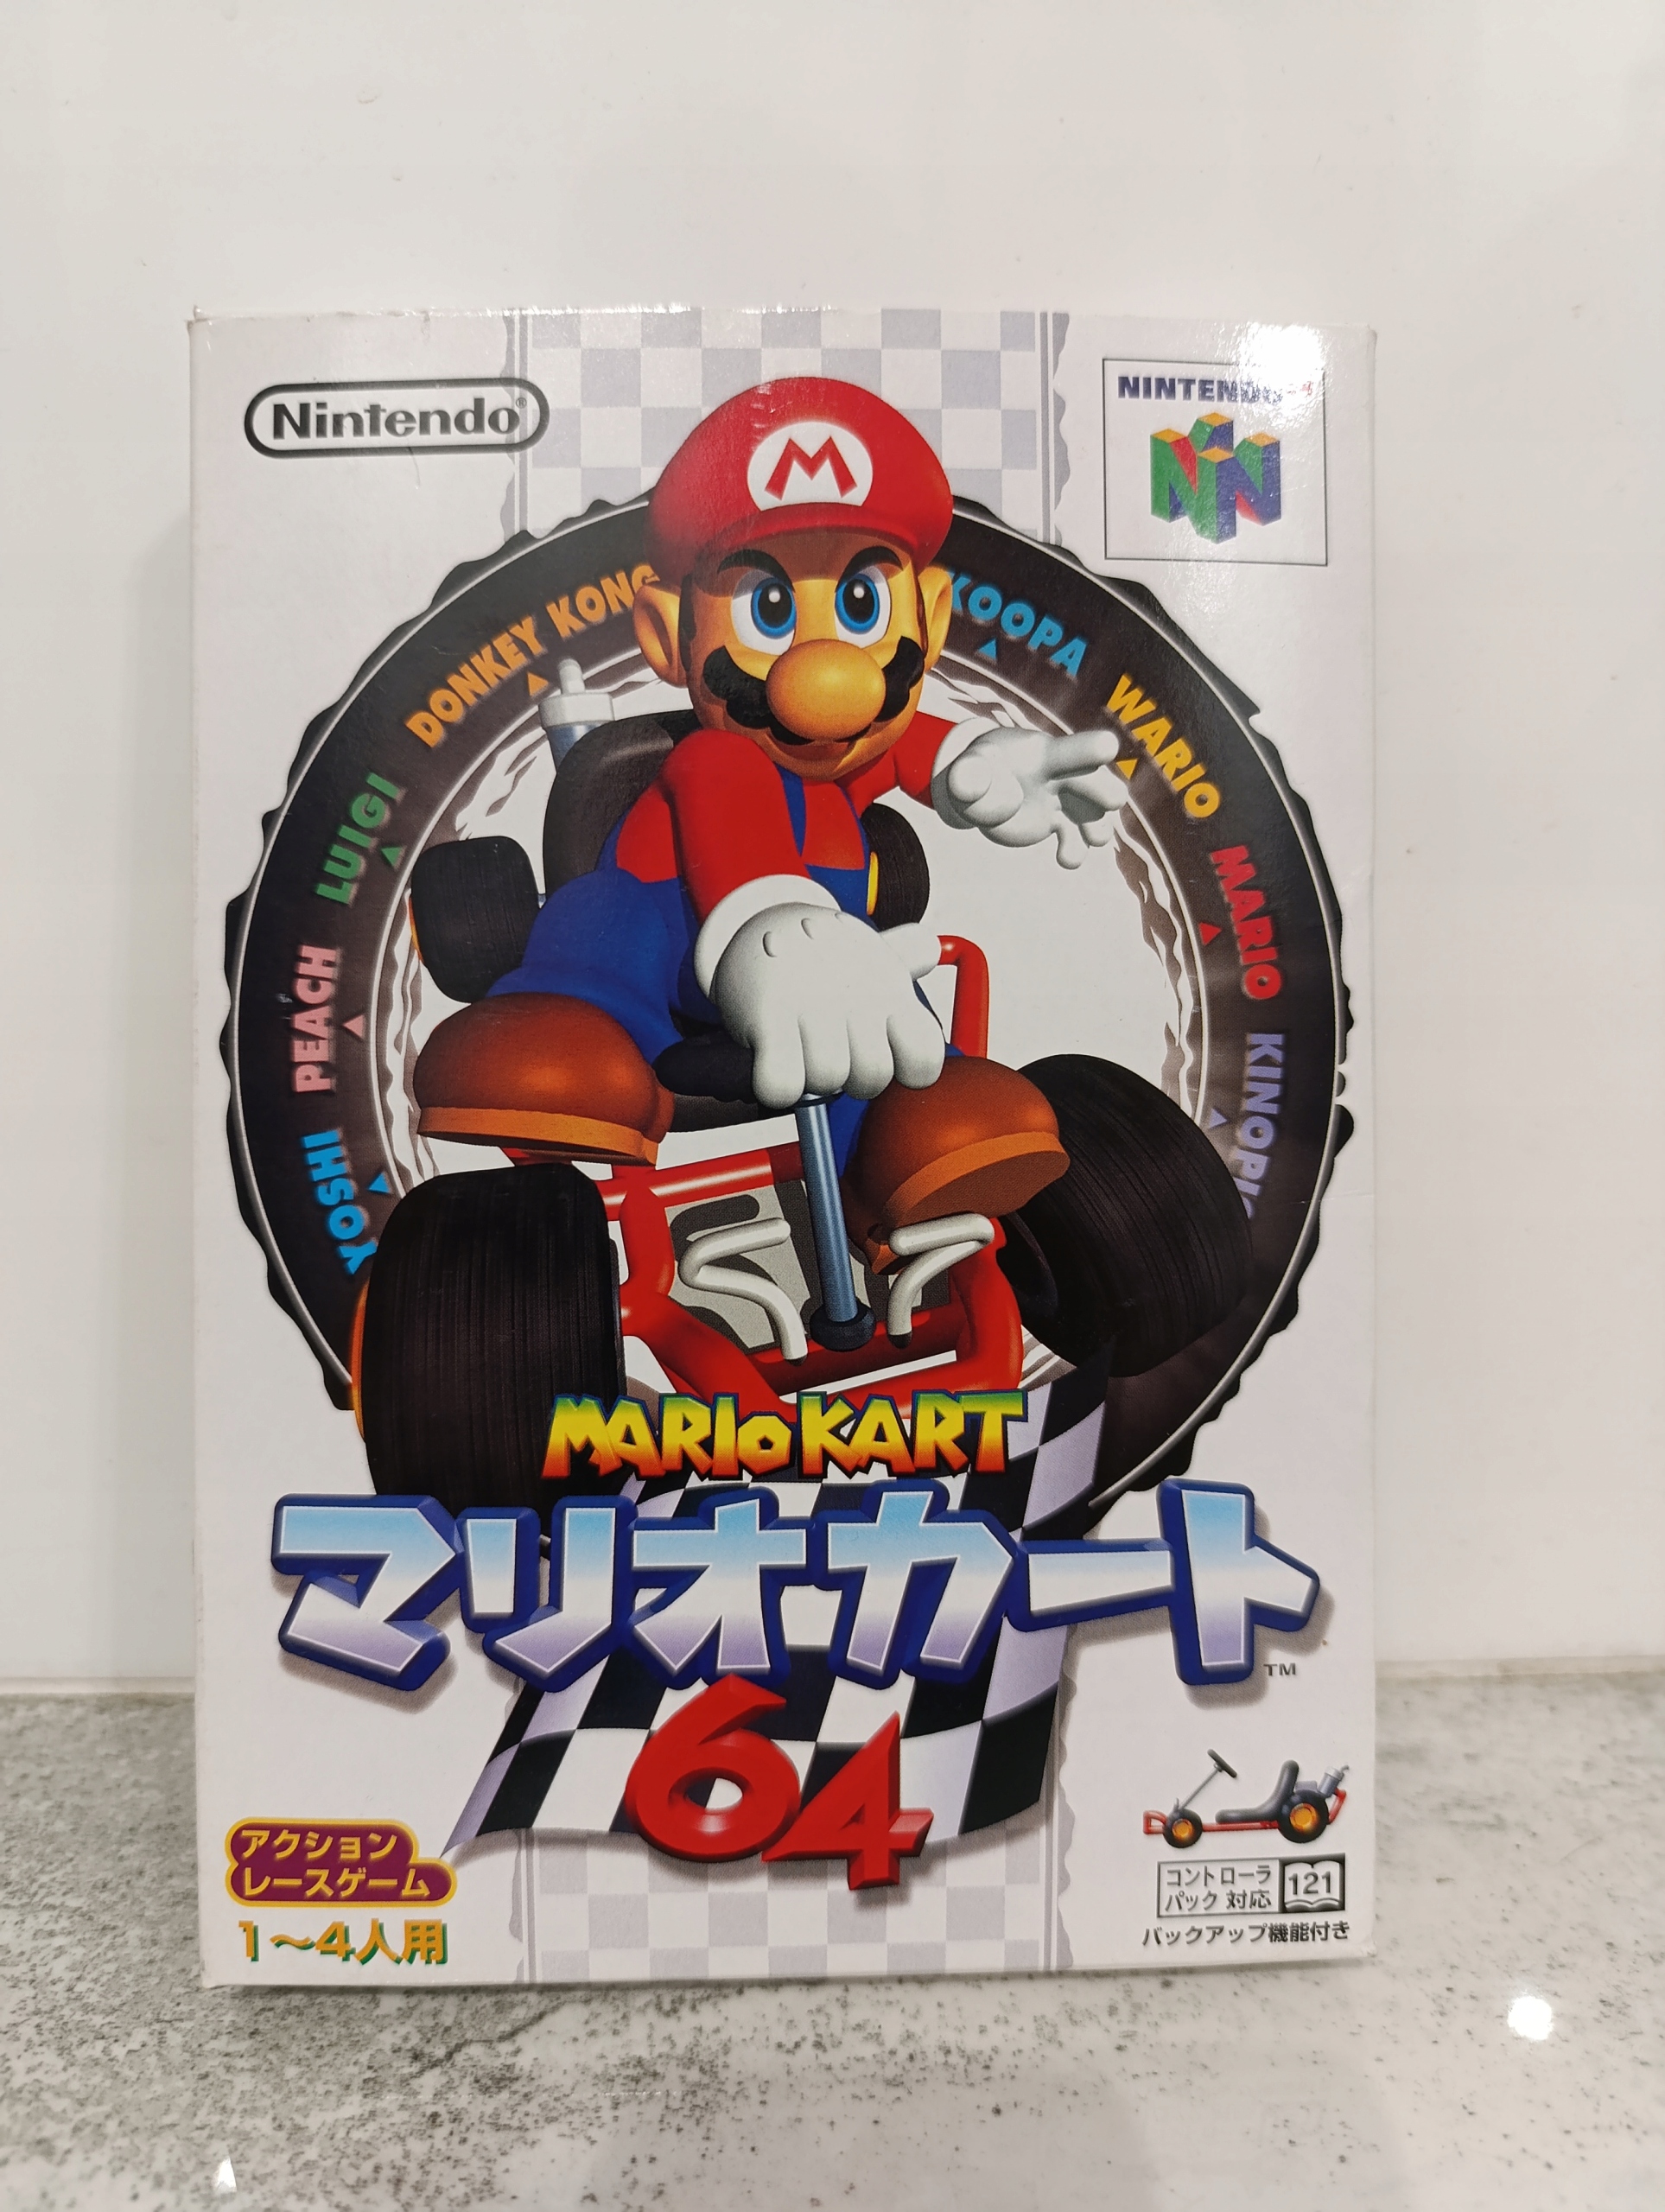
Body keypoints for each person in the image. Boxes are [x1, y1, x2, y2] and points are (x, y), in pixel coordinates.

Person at [415, 378, 1127, 1258]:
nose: (826, 672)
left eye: (862, 606)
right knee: (604, 942)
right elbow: (731, 819)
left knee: (874, 995)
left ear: (930, 618)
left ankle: (906, 1135)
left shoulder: (849, 762)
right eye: (770, 610)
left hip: (828, 969)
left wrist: (977, 760)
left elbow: (911, 749)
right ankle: (564, 1021)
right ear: (668, 635)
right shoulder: (709, 757)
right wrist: (771, 924)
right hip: (658, 963)